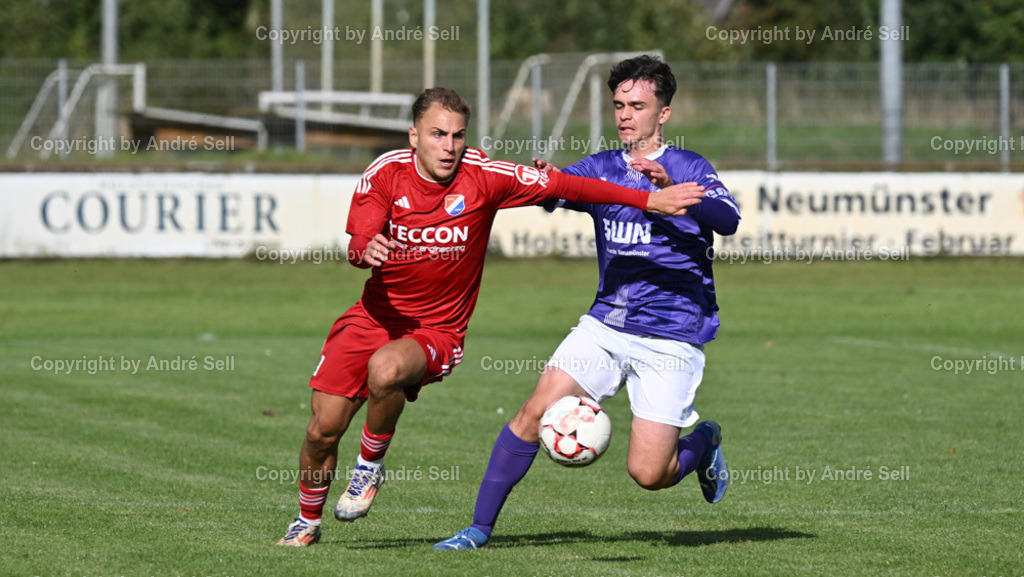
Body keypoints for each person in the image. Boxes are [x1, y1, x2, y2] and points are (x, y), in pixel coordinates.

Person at [276, 86, 706, 546]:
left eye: (458, 136)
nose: (449, 146)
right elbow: (359, 242)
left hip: (437, 329)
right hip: (373, 316)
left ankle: (369, 467)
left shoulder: (484, 175)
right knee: (322, 430)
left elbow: (567, 185)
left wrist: (646, 201)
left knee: (387, 369)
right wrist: (367, 248)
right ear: (413, 136)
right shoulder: (386, 172)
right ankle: (307, 521)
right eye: (437, 134)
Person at [434, 55, 740, 550]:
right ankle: (477, 531)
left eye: (637, 105)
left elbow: (727, 221)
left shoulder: (689, 166)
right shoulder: (599, 168)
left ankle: (704, 441)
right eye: (619, 104)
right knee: (533, 411)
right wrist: (527, 176)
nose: (625, 115)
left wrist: (678, 191)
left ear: (663, 113)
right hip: (607, 325)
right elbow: (551, 189)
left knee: (649, 473)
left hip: (672, 335)